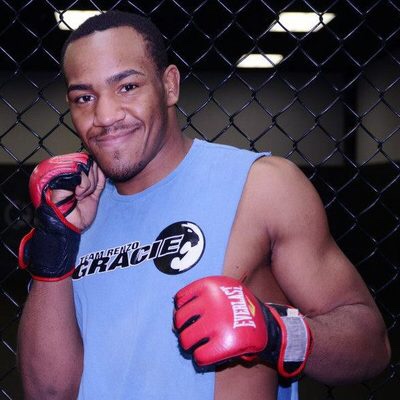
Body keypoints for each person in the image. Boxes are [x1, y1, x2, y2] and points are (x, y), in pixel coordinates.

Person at [17, 10, 390, 400]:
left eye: (127, 86)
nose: (105, 116)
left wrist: (277, 333)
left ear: (169, 85)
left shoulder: (261, 188)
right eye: (84, 97)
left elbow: (370, 344)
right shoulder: (71, 210)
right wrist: (55, 249)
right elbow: (48, 393)